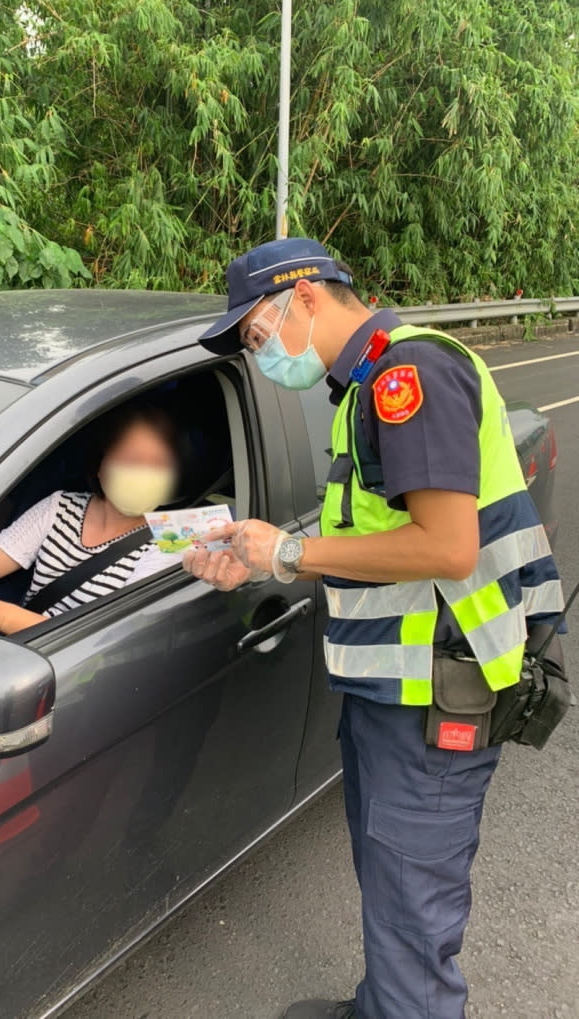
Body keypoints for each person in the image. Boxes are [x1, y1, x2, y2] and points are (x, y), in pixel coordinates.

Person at [184, 238, 564, 1019]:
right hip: (395, 692)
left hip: (438, 700)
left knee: (412, 909)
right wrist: (268, 558)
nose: (260, 354)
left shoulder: (406, 378)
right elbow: (374, 546)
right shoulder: (362, 389)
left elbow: (447, 545)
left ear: (307, 298)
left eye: (257, 334)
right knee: (392, 889)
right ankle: (381, 1005)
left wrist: (289, 550)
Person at [0, 404, 182, 635]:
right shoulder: (60, 507)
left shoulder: (174, 537)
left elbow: (110, 637)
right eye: (131, 459)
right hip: (22, 657)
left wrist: (2, 617)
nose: (144, 474)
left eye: (159, 464)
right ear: (100, 464)